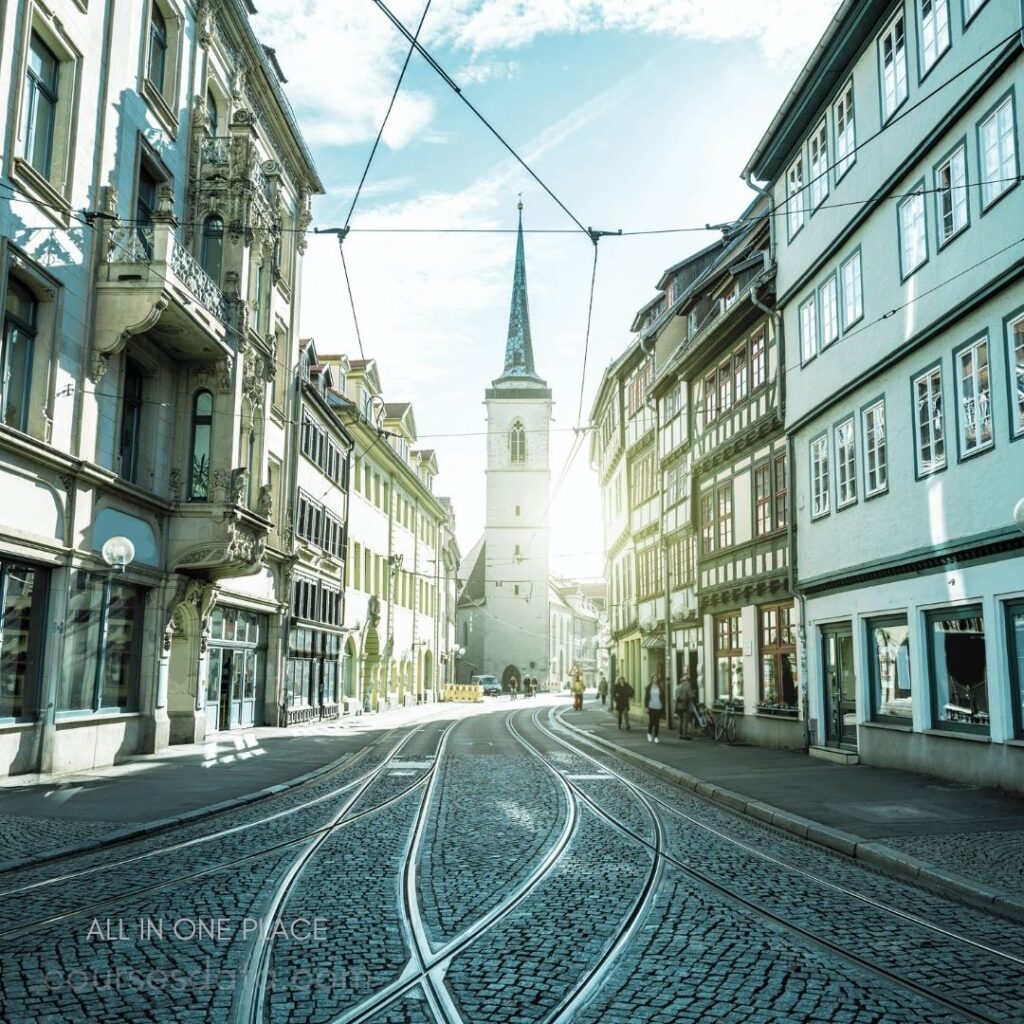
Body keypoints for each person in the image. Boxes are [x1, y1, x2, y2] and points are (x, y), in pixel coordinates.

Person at [644, 672, 665, 743]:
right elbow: (646, 698)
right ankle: (649, 734)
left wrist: (663, 706)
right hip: (651, 706)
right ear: (652, 679)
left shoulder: (660, 687)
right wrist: (646, 707)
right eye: (654, 678)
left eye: (656, 678)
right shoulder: (649, 687)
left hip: (658, 706)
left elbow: (662, 697)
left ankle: (656, 737)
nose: (655, 679)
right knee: (651, 722)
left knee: (657, 722)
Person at [675, 673, 697, 740]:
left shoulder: (678, 686)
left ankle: (680, 734)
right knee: (685, 720)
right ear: (687, 680)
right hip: (685, 705)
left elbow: (676, 696)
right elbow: (691, 695)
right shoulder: (687, 686)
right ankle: (685, 734)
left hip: (678, 705)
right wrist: (693, 692)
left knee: (680, 720)